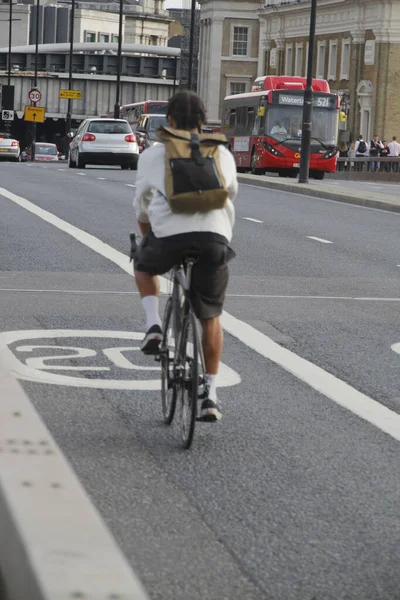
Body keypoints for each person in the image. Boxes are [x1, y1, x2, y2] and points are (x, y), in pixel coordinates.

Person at [132, 90, 238, 422]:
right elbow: (230, 193)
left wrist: (150, 240)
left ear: (171, 121)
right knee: (211, 316)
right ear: (205, 122)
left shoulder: (154, 154)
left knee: (142, 263)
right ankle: (210, 394)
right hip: (214, 239)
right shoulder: (221, 152)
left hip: (169, 238)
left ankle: (153, 327)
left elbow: (142, 205)